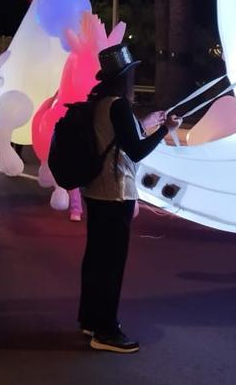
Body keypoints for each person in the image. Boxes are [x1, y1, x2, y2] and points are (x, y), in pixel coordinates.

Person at [78, 44, 180, 354]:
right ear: (125, 77)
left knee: (96, 259)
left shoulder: (99, 102)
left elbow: (118, 139)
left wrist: (148, 124)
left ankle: (90, 319)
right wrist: (164, 131)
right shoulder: (119, 105)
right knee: (111, 264)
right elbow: (135, 151)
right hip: (115, 194)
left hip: (95, 192)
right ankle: (106, 330)